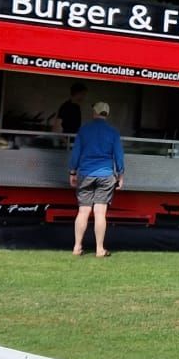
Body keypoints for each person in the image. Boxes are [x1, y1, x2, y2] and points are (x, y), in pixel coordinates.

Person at [69, 100, 125, 257]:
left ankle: (77, 247)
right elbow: (118, 155)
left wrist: (72, 172)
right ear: (106, 114)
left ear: (94, 112)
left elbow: (76, 153)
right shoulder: (113, 132)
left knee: (83, 211)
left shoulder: (84, 130)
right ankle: (100, 249)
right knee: (100, 213)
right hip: (106, 175)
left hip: (85, 173)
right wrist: (120, 174)